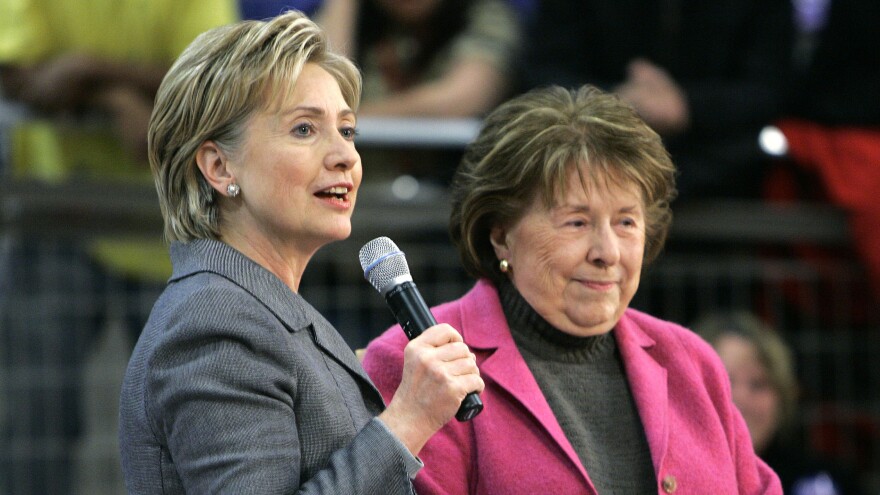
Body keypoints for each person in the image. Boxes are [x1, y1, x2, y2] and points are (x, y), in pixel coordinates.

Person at [118, 11, 483, 493]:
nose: (346, 157)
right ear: (219, 166)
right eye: (304, 130)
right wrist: (408, 421)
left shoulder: (258, 308)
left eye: (347, 130)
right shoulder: (216, 323)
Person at [362, 84, 782, 494]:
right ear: (502, 235)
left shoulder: (692, 362)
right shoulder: (418, 361)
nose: (608, 252)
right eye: (577, 222)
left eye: (626, 222)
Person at [0, 1, 237, 493]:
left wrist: (88, 70)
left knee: (184, 429)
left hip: (168, 237)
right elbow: (19, 76)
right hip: (59, 220)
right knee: (38, 424)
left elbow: (218, 79)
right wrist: (116, 98)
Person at [516, 0, 793, 202]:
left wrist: (687, 105)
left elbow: (772, 89)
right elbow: (541, 74)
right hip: (591, 165)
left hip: (720, 182)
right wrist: (617, 101)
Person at [693, 311, 866, 495]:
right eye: (724, 382)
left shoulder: (824, 482)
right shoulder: (665, 478)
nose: (741, 400)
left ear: (783, 397)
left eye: (758, 384)